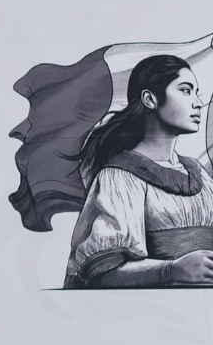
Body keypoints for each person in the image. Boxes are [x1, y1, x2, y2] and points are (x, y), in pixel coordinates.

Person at [64, 54, 213, 287]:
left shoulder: (200, 174)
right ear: (149, 99)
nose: (197, 102)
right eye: (185, 90)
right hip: (151, 310)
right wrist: (171, 270)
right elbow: (102, 273)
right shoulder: (120, 176)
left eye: (196, 92)